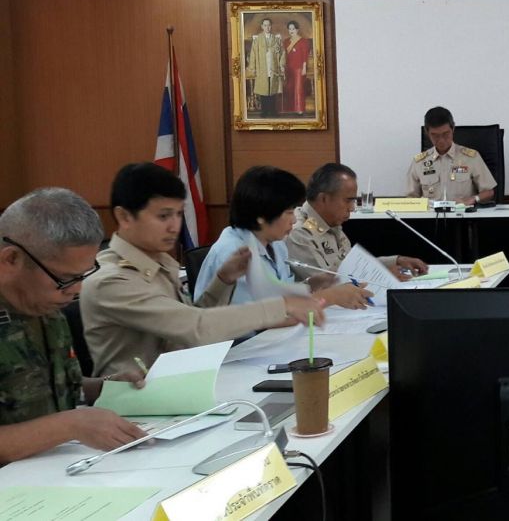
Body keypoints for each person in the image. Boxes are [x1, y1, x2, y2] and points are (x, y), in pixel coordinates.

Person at [81, 163, 328, 378]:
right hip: (138, 404)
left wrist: (223, 281)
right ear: (124, 217)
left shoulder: (160, 265)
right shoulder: (113, 281)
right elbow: (195, 328)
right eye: (163, 216)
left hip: (180, 386)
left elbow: (190, 322)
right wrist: (284, 305)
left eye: (179, 214)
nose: (174, 226)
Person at [0, 188, 147, 464]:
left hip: (56, 467)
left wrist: (103, 387)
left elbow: (39, 387)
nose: (77, 290)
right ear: (11, 259)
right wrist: (71, 425)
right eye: (65, 278)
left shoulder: (45, 307)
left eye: (82, 276)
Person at [194, 166, 371, 309]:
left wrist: (310, 284)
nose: (294, 220)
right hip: (242, 341)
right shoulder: (233, 253)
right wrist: (330, 297)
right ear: (262, 215)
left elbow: (282, 294)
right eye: (288, 212)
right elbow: (260, 317)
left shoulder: (276, 245)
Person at [287, 163, 428, 282]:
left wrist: (396, 261)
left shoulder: (331, 223)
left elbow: (352, 267)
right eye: (348, 200)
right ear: (324, 199)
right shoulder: (299, 233)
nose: (352, 208)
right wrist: (380, 277)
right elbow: (325, 283)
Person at [406, 107, 497, 205]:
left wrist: (473, 199)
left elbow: (489, 191)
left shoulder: (471, 158)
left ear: (453, 128)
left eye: (446, 134)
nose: (441, 140)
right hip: (431, 214)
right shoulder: (419, 162)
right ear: (427, 133)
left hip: (461, 213)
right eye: (435, 135)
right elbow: (411, 198)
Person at [247, 18, 285, 118]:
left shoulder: (276, 39)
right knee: (263, 91)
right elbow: (253, 53)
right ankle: (264, 111)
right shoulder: (257, 39)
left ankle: (273, 111)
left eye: (269, 25)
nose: (267, 27)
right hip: (262, 68)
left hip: (273, 68)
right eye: (265, 25)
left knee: (273, 91)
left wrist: (282, 65)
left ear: (271, 26)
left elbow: (282, 53)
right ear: (262, 26)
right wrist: (253, 67)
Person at [281, 20, 312, 115]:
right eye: (290, 29)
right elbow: (284, 56)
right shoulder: (286, 41)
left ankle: (299, 109)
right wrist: (283, 67)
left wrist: (304, 68)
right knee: (290, 88)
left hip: (299, 68)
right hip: (288, 68)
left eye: (293, 29)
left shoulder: (303, 41)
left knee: (298, 89)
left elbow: (305, 56)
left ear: (297, 30)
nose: (291, 31)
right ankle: (291, 108)